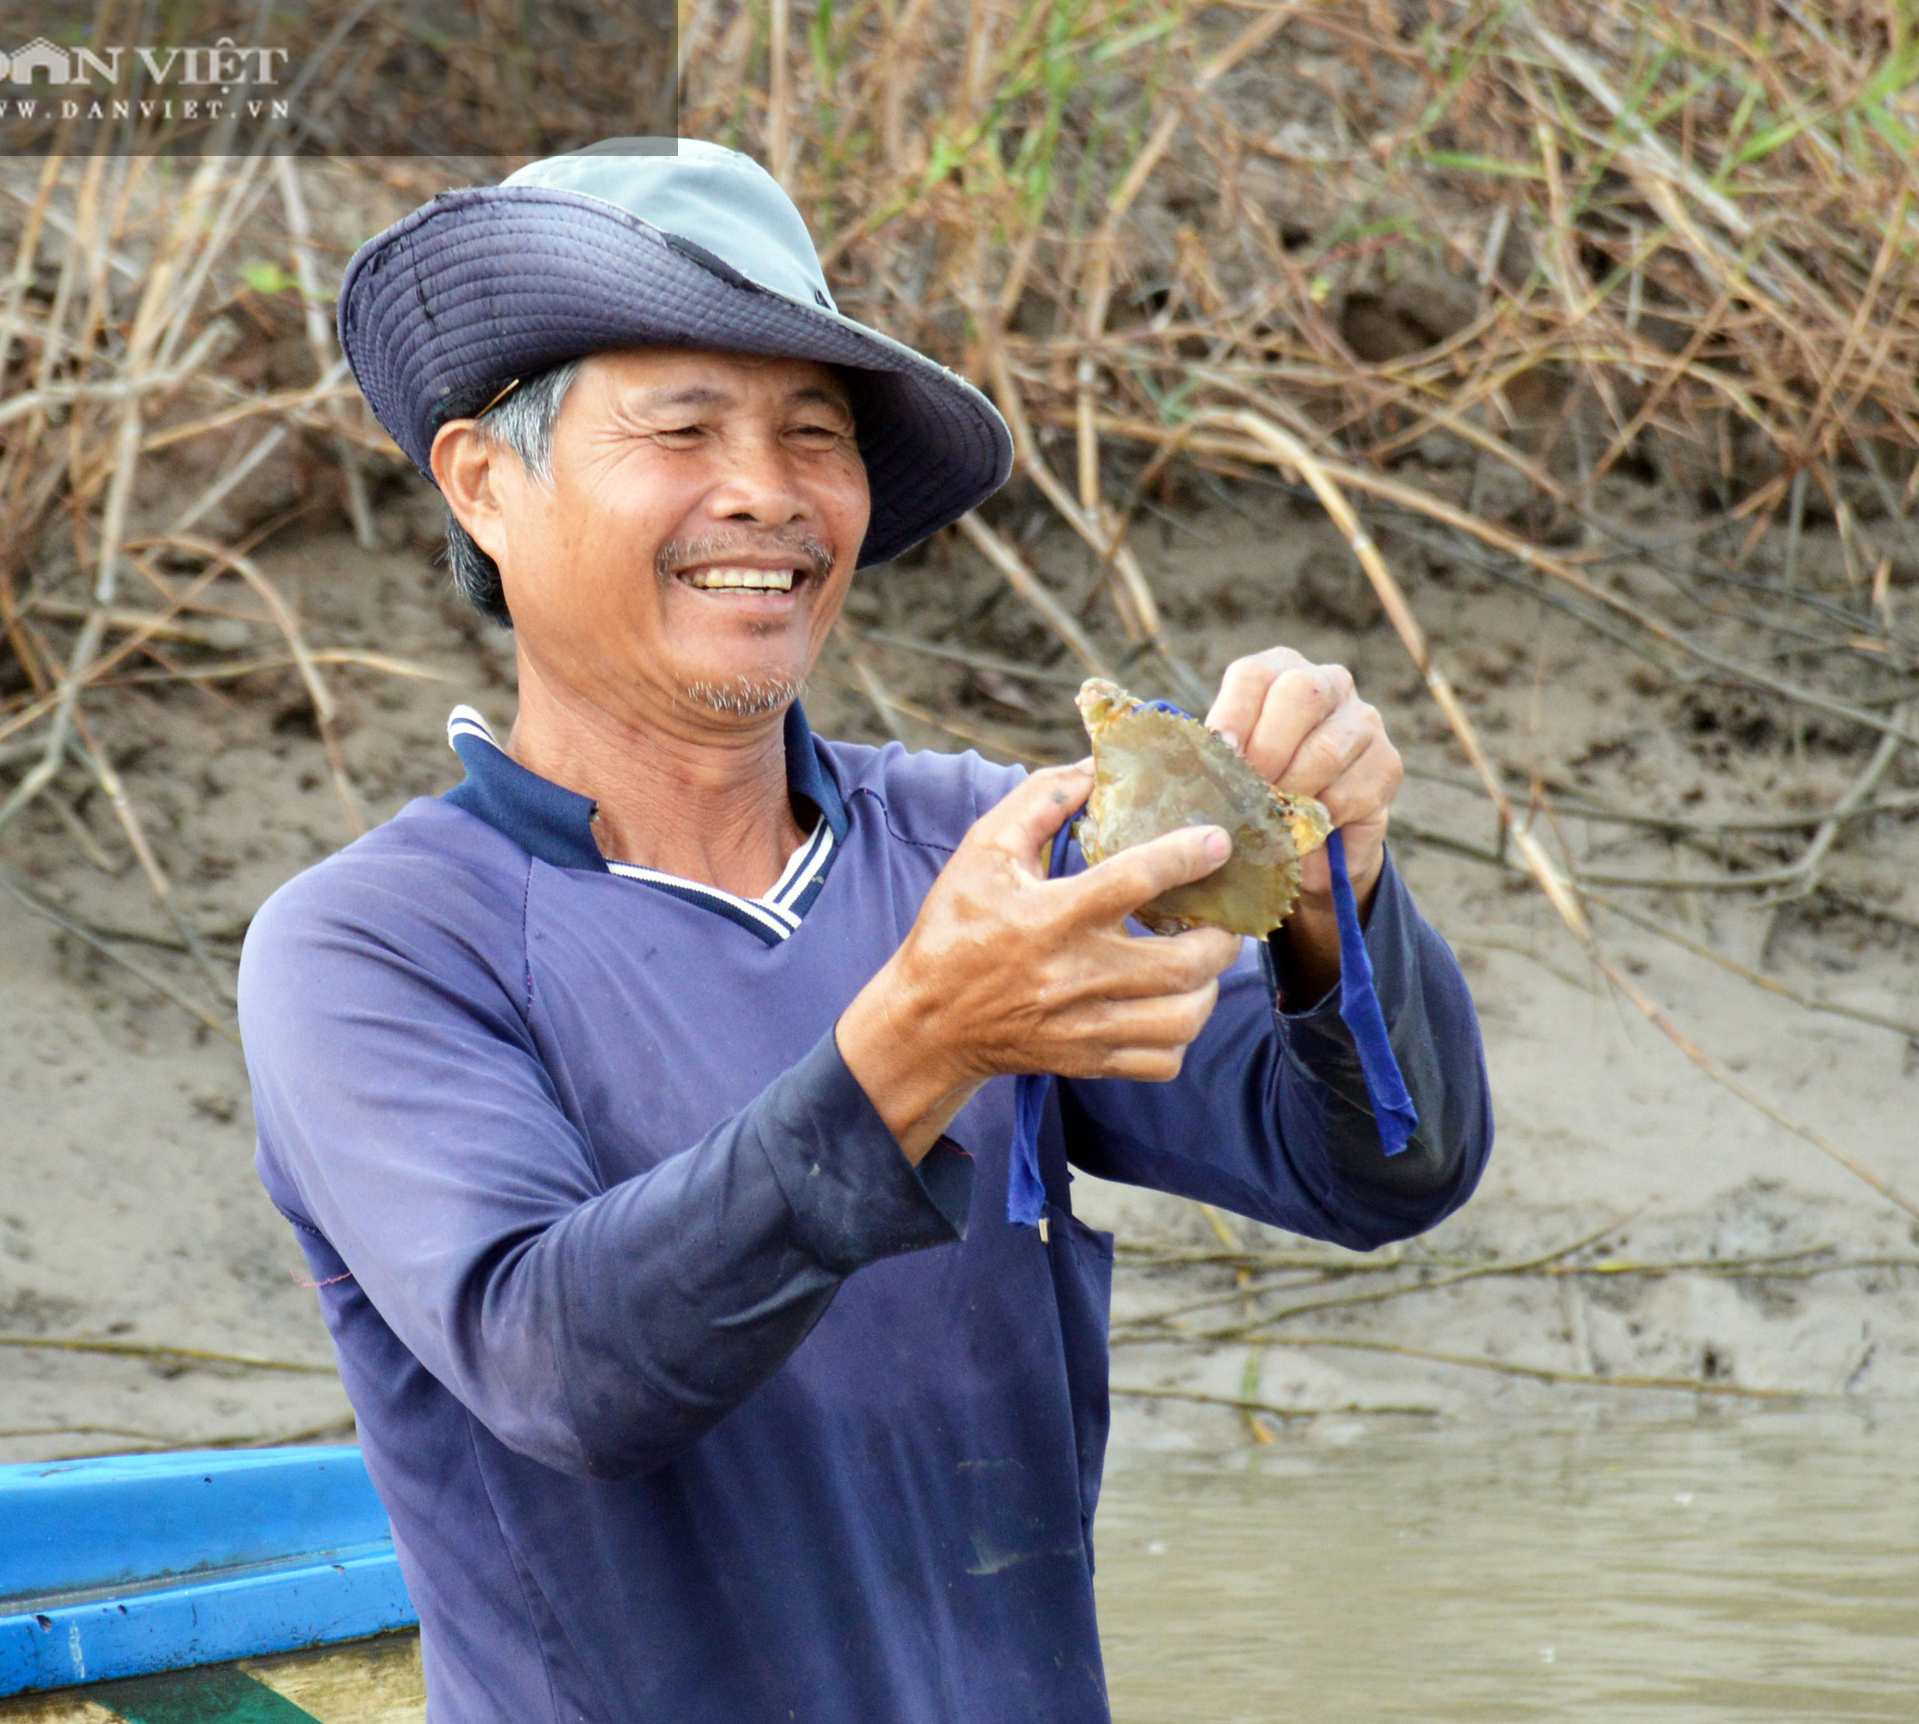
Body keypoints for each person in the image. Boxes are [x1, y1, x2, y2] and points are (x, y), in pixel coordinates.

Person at [240, 137, 1492, 1724]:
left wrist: (1336, 898)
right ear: (487, 484)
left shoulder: (982, 850)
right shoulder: (377, 945)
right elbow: (562, 1365)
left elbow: (1382, 1167)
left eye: (812, 433)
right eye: (683, 425)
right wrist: (921, 1044)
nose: (765, 491)